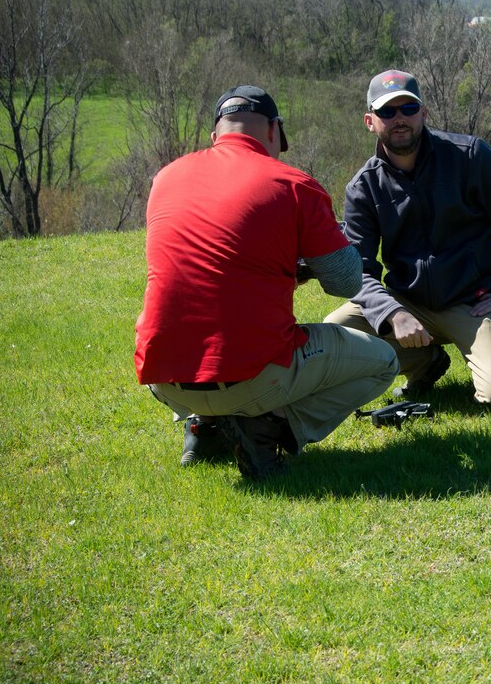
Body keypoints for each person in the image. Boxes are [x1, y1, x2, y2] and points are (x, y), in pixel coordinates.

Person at [135, 85, 399, 480]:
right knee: (384, 363)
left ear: (215, 136)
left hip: (164, 378)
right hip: (252, 374)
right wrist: (310, 258)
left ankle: (205, 427)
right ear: (275, 130)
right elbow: (346, 281)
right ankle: (266, 431)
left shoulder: (165, 179)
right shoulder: (293, 184)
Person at [324, 70, 491, 406]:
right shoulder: (363, 188)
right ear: (370, 121)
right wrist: (392, 313)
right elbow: (360, 272)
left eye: (408, 109)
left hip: (474, 302)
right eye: (387, 111)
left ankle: (478, 356)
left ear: (424, 114)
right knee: (333, 333)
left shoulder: (468, 156)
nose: (399, 119)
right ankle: (425, 361)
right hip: (408, 303)